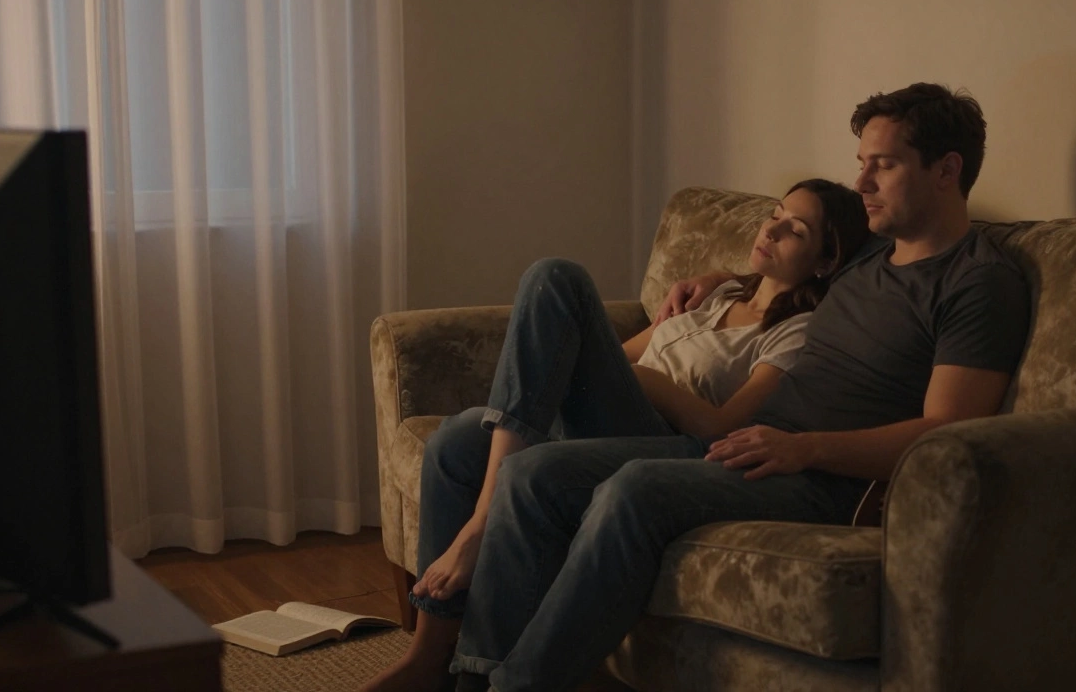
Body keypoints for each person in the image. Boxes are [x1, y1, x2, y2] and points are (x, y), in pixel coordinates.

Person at [418, 82, 1031, 692]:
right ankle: (472, 677)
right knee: (530, 475)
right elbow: (788, 260)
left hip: (830, 483)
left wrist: (809, 447)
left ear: (947, 169)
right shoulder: (872, 255)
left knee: (633, 487)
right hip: (755, 448)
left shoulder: (978, 283)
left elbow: (945, 433)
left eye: (885, 165)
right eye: (861, 164)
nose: (863, 183)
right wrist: (719, 279)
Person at [362, 179, 873, 692]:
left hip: (665, 438)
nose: (773, 228)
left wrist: (647, 381)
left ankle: (479, 576)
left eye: (796, 230)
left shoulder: (798, 332)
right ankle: (429, 655)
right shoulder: (717, 293)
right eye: (777, 213)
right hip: (613, 413)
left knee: (555, 277)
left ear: (825, 261)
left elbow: (725, 426)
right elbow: (616, 356)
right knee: (454, 443)